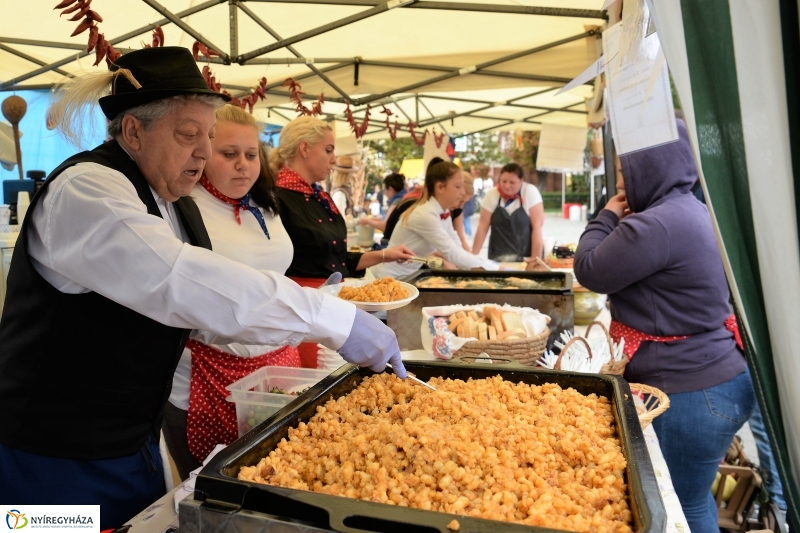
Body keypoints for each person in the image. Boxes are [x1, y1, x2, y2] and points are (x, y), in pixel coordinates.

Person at [0, 46, 406, 529]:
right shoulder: (86, 191)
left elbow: (201, 315)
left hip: (134, 442)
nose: (205, 152)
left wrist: (298, 336)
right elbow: (177, 278)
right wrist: (332, 321)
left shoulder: (176, 203)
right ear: (133, 131)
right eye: (188, 135)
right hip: (52, 452)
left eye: (209, 136)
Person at [573, 120, 755, 533]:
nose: (620, 182)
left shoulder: (656, 223)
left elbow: (589, 269)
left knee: (681, 501)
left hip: (693, 391)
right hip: (717, 376)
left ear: (648, 166)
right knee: (693, 496)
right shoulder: (690, 208)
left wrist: (606, 214)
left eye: (624, 172)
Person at [161, 105, 301, 480]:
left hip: (278, 369)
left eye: (251, 154)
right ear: (204, 153)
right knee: (213, 489)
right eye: (229, 154)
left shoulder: (265, 206)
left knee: (277, 481)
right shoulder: (182, 208)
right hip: (208, 377)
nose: (243, 165)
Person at [270, 116, 414, 366]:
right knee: (313, 383)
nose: (334, 159)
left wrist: (385, 254)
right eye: (328, 150)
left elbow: (340, 260)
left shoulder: (319, 197)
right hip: (304, 306)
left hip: (336, 303)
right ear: (305, 149)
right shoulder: (276, 198)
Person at [369, 159, 497, 279]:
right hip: (386, 278)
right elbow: (452, 253)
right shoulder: (425, 215)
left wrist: (486, 266)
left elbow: (457, 247)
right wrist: (494, 269)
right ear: (440, 187)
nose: (462, 192)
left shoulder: (442, 212)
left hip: (407, 276)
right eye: (458, 187)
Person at [471, 162, 544, 261]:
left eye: (512, 182)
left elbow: (537, 227)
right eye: (504, 181)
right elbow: (482, 227)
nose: (507, 186)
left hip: (526, 258)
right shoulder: (492, 195)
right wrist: (472, 257)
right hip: (498, 257)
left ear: (521, 181)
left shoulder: (530, 192)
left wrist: (535, 259)